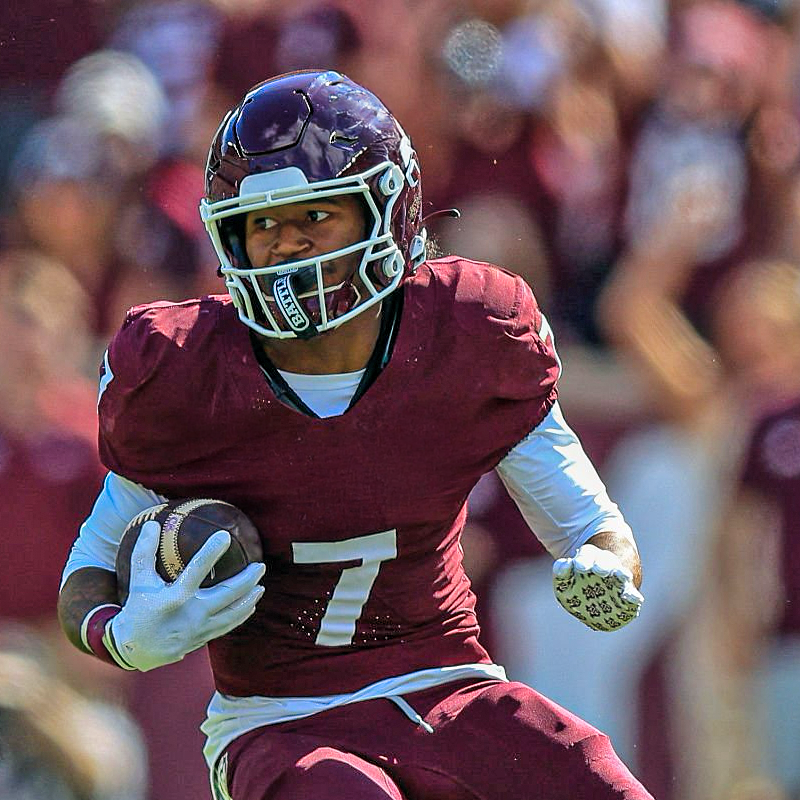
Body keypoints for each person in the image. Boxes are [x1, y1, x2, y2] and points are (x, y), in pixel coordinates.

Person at [58, 69, 652, 800]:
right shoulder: (186, 370)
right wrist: (120, 635)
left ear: (388, 212)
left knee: (588, 772)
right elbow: (88, 569)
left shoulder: (468, 329)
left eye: (315, 216)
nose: (287, 247)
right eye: (263, 225)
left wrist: (605, 565)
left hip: (445, 685)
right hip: (277, 720)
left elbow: (588, 523)